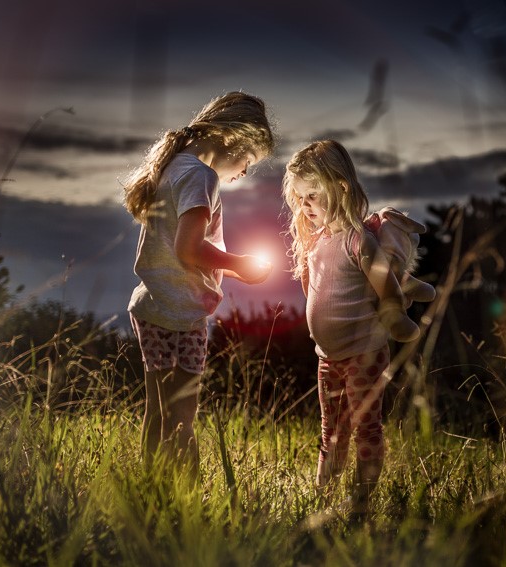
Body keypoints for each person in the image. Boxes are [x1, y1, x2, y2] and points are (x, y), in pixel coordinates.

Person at [123, 91, 276, 477]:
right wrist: (238, 262)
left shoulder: (174, 165)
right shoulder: (200, 176)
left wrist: (233, 269)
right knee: (182, 418)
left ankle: (151, 493)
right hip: (181, 311)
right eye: (248, 161)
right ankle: (189, 506)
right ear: (236, 140)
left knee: (157, 413)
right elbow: (189, 249)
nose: (243, 172)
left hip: (153, 304)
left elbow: (179, 248)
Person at [283, 139, 423, 517]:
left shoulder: (357, 240)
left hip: (364, 352)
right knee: (331, 432)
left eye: (312, 195)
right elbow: (314, 292)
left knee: (366, 429)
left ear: (340, 187)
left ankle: (361, 504)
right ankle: (323, 500)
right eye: (300, 199)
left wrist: (395, 313)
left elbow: (386, 287)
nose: (305, 206)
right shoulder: (314, 243)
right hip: (327, 357)